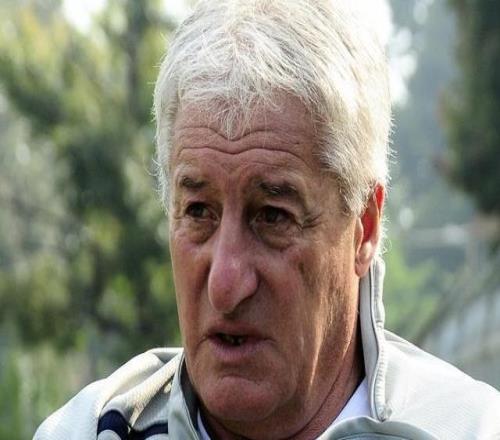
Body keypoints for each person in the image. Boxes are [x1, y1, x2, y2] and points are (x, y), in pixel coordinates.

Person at [34, 0, 500, 439]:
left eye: (273, 216)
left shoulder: (469, 429)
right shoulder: (91, 430)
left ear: (365, 228)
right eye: (198, 211)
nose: (225, 284)